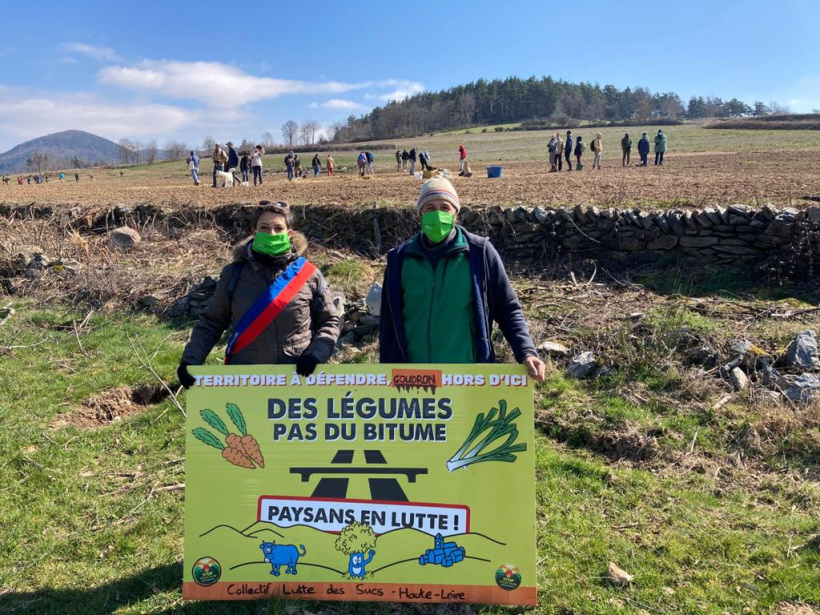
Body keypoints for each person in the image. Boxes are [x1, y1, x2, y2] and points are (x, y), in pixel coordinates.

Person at [379, 177, 546, 381]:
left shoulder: (479, 254)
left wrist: (526, 351)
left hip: (466, 378)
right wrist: (387, 371)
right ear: (420, 214)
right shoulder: (400, 258)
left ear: (455, 213)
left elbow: (508, 309)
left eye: (445, 207)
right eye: (430, 208)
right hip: (413, 380)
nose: (437, 214)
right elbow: (388, 321)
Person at [177, 200, 340, 385]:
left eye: (278, 228)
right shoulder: (234, 274)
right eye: (264, 227)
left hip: (297, 378)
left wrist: (315, 355)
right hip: (246, 379)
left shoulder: (309, 275)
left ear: (290, 234)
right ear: (254, 233)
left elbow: (329, 321)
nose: (271, 233)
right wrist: (190, 360)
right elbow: (212, 321)